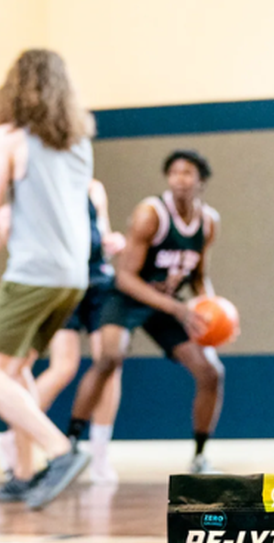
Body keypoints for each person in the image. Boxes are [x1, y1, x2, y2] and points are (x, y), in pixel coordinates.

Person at [0, 48, 94, 510]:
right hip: (72, 277)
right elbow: (46, 207)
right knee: (15, 371)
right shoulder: (79, 146)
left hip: (33, 274)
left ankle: (59, 452)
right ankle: (22, 472)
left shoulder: (8, 137)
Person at [67, 149, 223, 473]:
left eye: (187, 173)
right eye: (174, 173)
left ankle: (199, 456)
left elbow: (198, 276)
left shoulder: (208, 222)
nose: (180, 179)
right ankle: (71, 442)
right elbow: (125, 277)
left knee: (211, 372)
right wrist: (177, 308)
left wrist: (213, 313)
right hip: (128, 297)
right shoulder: (151, 214)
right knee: (109, 358)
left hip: (167, 305)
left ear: (201, 181)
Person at [0, 177, 126, 484]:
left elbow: (101, 232)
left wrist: (110, 241)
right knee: (64, 366)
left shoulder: (93, 188)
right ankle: (16, 435)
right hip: (63, 278)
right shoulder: (38, 185)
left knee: (110, 364)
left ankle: (100, 453)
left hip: (98, 280)